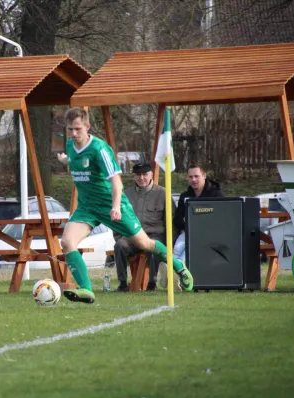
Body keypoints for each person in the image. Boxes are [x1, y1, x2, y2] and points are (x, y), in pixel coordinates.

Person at [57, 107, 194, 304]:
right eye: (70, 129)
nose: (73, 134)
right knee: (67, 242)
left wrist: (115, 207)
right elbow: (74, 159)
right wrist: (64, 159)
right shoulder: (70, 146)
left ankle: (179, 266)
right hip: (87, 207)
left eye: (77, 129)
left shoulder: (100, 149)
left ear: (87, 126)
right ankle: (87, 290)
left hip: (112, 205)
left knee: (144, 244)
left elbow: (116, 181)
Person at [113, 163, 176, 292]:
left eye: (145, 174)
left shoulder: (163, 193)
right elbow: (118, 220)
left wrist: (169, 244)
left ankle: (152, 284)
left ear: (151, 175)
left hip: (154, 235)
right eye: (138, 175)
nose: (141, 178)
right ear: (134, 177)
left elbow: (171, 221)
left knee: (154, 245)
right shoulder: (126, 194)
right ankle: (123, 283)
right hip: (132, 237)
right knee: (119, 245)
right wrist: (119, 236)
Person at [161, 162, 223, 288]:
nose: (193, 180)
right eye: (190, 177)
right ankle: (168, 273)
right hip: (188, 231)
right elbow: (177, 220)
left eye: (196, 176)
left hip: (209, 235)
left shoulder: (216, 194)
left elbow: (221, 219)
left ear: (204, 175)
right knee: (177, 248)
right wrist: (188, 226)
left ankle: (176, 276)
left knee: (185, 252)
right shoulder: (185, 196)